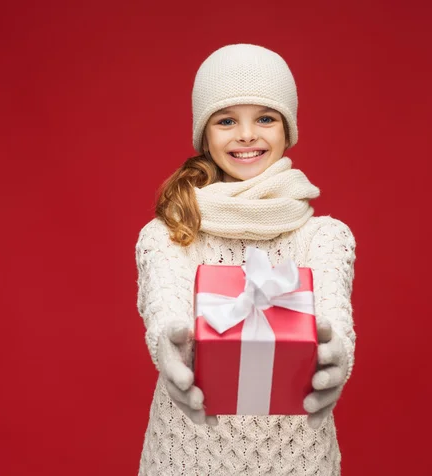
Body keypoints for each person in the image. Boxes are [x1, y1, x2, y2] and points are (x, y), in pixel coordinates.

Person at [135, 44, 357, 475]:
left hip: (298, 461)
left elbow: (336, 318)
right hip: (185, 458)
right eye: (226, 120)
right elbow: (164, 311)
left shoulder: (325, 236)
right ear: (205, 135)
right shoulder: (167, 233)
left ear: (288, 130)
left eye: (265, 118)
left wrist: (339, 356)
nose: (247, 134)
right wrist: (168, 344)